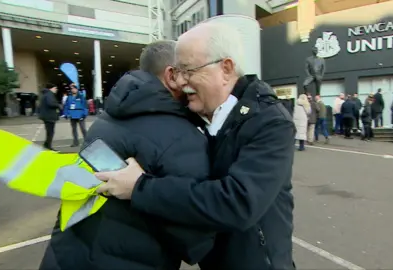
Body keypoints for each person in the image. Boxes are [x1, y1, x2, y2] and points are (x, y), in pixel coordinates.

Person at [95, 21, 296, 270]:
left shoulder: (270, 122)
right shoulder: (196, 113)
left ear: (226, 69)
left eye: (189, 70)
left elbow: (238, 203)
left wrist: (139, 188)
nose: (180, 82)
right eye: (177, 72)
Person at [39, 40, 215, 270]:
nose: (194, 80)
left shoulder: (107, 119)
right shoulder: (182, 138)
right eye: (190, 71)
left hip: (64, 255)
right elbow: (194, 241)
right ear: (172, 76)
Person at [38, 83, 60, 150]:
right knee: (50, 132)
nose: (56, 90)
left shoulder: (46, 94)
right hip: (49, 116)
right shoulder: (49, 94)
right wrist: (58, 105)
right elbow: (51, 103)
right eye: (55, 88)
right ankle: (48, 146)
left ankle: (46, 145)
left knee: (49, 132)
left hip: (47, 116)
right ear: (51, 88)